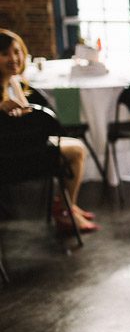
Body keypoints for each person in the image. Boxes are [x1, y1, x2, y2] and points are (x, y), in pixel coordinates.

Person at [0, 28, 98, 233]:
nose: (14, 58)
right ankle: (65, 208)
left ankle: (67, 205)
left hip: (26, 146)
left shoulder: (15, 82)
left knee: (76, 147)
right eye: (5, 53)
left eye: (17, 52)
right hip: (11, 156)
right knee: (77, 150)